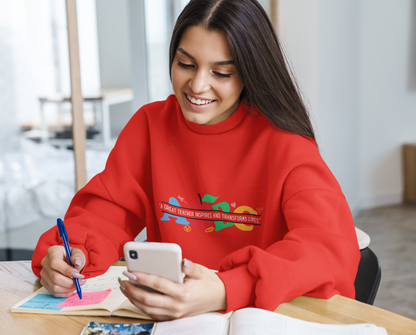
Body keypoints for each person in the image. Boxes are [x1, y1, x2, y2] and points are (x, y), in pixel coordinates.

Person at [32, 0, 360, 321]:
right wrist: (72, 253)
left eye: (221, 72)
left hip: (259, 319)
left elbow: (327, 250)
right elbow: (105, 212)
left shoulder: (286, 144)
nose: (197, 85)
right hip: (171, 322)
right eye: (186, 65)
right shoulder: (150, 126)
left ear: (250, 73)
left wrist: (224, 289)